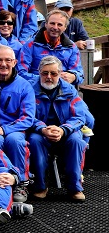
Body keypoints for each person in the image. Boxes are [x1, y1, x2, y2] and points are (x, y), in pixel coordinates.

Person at [0, 45, 35, 202]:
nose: (4, 64)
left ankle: (21, 183)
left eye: (8, 60)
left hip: (14, 128)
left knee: (15, 140)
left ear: (15, 62)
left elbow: (28, 118)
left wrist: (4, 129)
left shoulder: (24, 86)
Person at [29, 56, 89, 202]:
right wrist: (43, 129)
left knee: (76, 140)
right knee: (34, 140)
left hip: (65, 132)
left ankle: (75, 187)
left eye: (53, 73)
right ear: (39, 72)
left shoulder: (70, 90)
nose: (49, 77)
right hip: (40, 132)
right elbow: (26, 115)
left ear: (60, 73)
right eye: (45, 73)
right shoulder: (29, 88)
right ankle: (41, 186)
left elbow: (80, 117)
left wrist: (63, 130)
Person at [18, 9, 84, 86]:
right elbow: (21, 73)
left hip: (63, 91)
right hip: (36, 89)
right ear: (45, 24)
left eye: (59, 24)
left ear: (65, 27)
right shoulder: (30, 45)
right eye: (52, 23)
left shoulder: (71, 47)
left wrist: (74, 76)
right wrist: (45, 78)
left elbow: (80, 74)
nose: (55, 27)